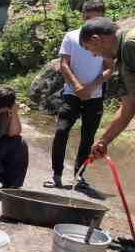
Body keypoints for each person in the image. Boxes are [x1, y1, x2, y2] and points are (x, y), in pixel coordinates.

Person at [46, 0, 113, 189]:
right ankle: (56, 175)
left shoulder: (106, 40)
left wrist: (90, 87)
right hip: (71, 93)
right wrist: (77, 86)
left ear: (102, 17)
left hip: (95, 94)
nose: (90, 22)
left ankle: (79, 176)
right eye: (86, 17)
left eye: (94, 18)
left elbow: (110, 68)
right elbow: (64, 64)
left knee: (88, 137)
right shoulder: (71, 36)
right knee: (61, 131)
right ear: (82, 16)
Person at [80, 18, 135, 160]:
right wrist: (103, 140)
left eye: (88, 48)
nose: (93, 54)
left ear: (95, 39)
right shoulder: (122, 58)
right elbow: (127, 109)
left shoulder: (131, 44)